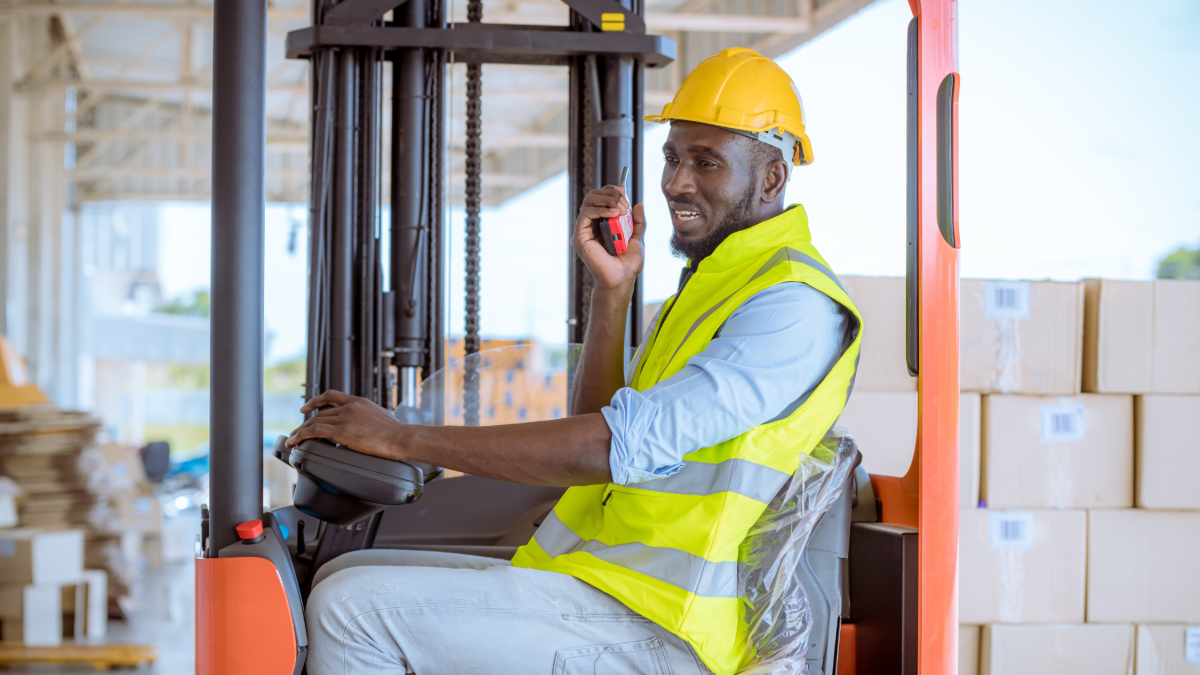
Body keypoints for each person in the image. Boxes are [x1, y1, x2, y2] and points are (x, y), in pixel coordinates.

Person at [289, 47, 863, 675]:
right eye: (672, 158)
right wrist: (612, 291)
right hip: (597, 587)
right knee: (346, 572)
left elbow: (614, 446)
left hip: (663, 627)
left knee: (350, 609)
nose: (675, 182)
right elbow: (601, 430)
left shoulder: (792, 306)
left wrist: (404, 440)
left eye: (706, 162)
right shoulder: (712, 292)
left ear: (772, 178)